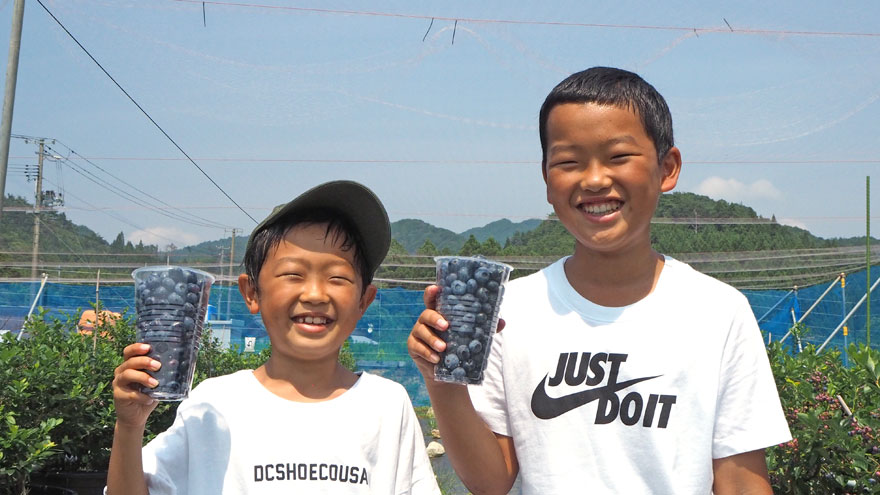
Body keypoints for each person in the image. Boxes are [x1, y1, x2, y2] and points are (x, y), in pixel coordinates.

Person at [407, 67, 791, 494]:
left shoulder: (718, 311)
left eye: (618, 156)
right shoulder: (509, 311)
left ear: (667, 168)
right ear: (547, 179)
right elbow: (490, 481)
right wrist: (440, 380)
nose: (593, 180)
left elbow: (741, 481)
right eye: (568, 162)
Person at [109, 180, 440, 494]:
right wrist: (130, 426)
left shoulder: (386, 405)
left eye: (337, 278)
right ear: (252, 292)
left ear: (363, 301)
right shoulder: (213, 404)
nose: (315, 294)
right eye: (293, 274)